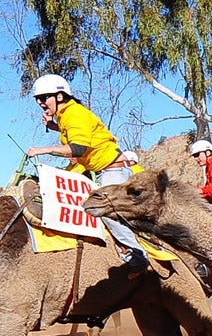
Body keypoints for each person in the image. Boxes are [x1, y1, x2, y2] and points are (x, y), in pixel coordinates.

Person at [25, 74, 148, 271]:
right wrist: (53, 127)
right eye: (37, 99)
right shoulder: (66, 115)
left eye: (44, 97)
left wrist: (42, 150)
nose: (40, 102)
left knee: (104, 210)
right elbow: (74, 134)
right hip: (101, 171)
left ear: (59, 96)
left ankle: (138, 256)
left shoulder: (73, 113)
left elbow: (78, 149)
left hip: (112, 171)